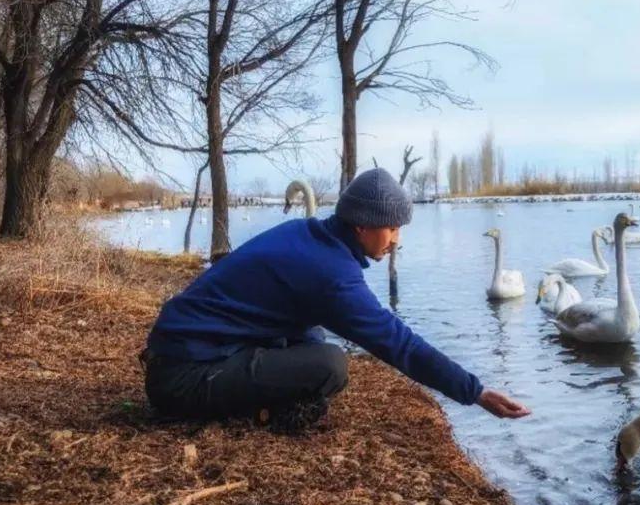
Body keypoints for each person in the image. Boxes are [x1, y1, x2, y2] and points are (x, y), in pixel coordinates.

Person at [141, 167, 531, 433]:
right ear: (362, 224)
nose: (396, 240)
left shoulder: (309, 235)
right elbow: (398, 343)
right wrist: (473, 391)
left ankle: (264, 402)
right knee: (330, 365)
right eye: (392, 228)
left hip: (180, 353)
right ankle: (261, 414)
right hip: (182, 379)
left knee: (311, 338)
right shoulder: (330, 273)